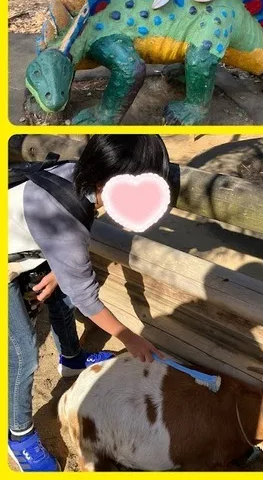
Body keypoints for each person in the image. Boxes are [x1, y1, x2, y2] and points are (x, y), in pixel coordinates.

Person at [8, 136, 168, 471]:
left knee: (62, 295)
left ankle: (72, 360)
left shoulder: (76, 175)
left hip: (24, 242)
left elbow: (64, 249)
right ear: (104, 179)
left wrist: (55, 269)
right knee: (22, 354)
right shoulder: (66, 223)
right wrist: (130, 337)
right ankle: (18, 436)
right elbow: (86, 297)